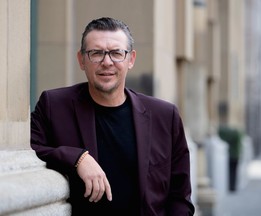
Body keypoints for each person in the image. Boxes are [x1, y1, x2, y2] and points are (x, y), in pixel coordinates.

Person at [31, 17, 195, 216]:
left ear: (131, 59)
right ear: (81, 60)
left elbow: (180, 196)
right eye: (96, 53)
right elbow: (29, 150)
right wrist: (78, 158)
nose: (107, 62)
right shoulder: (54, 105)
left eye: (116, 53)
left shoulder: (165, 116)